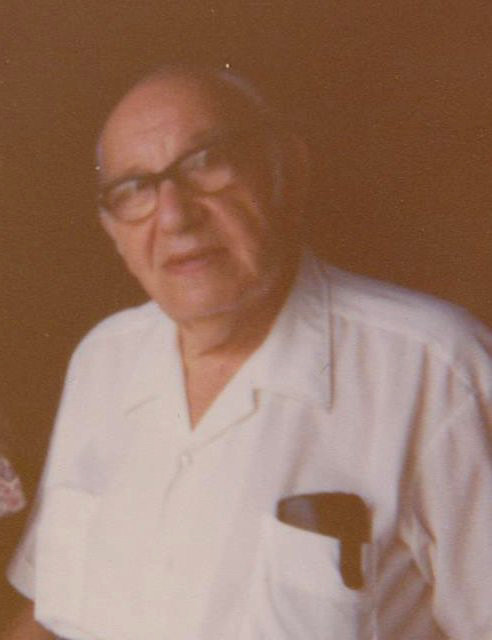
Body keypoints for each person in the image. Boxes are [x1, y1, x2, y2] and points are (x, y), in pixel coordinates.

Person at [4, 65, 492, 640]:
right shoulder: (101, 360)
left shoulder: (436, 370)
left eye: (206, 164)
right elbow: (49, 610)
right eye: (134, 190)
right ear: (112, 229)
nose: (176, 216)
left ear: (288, 170)